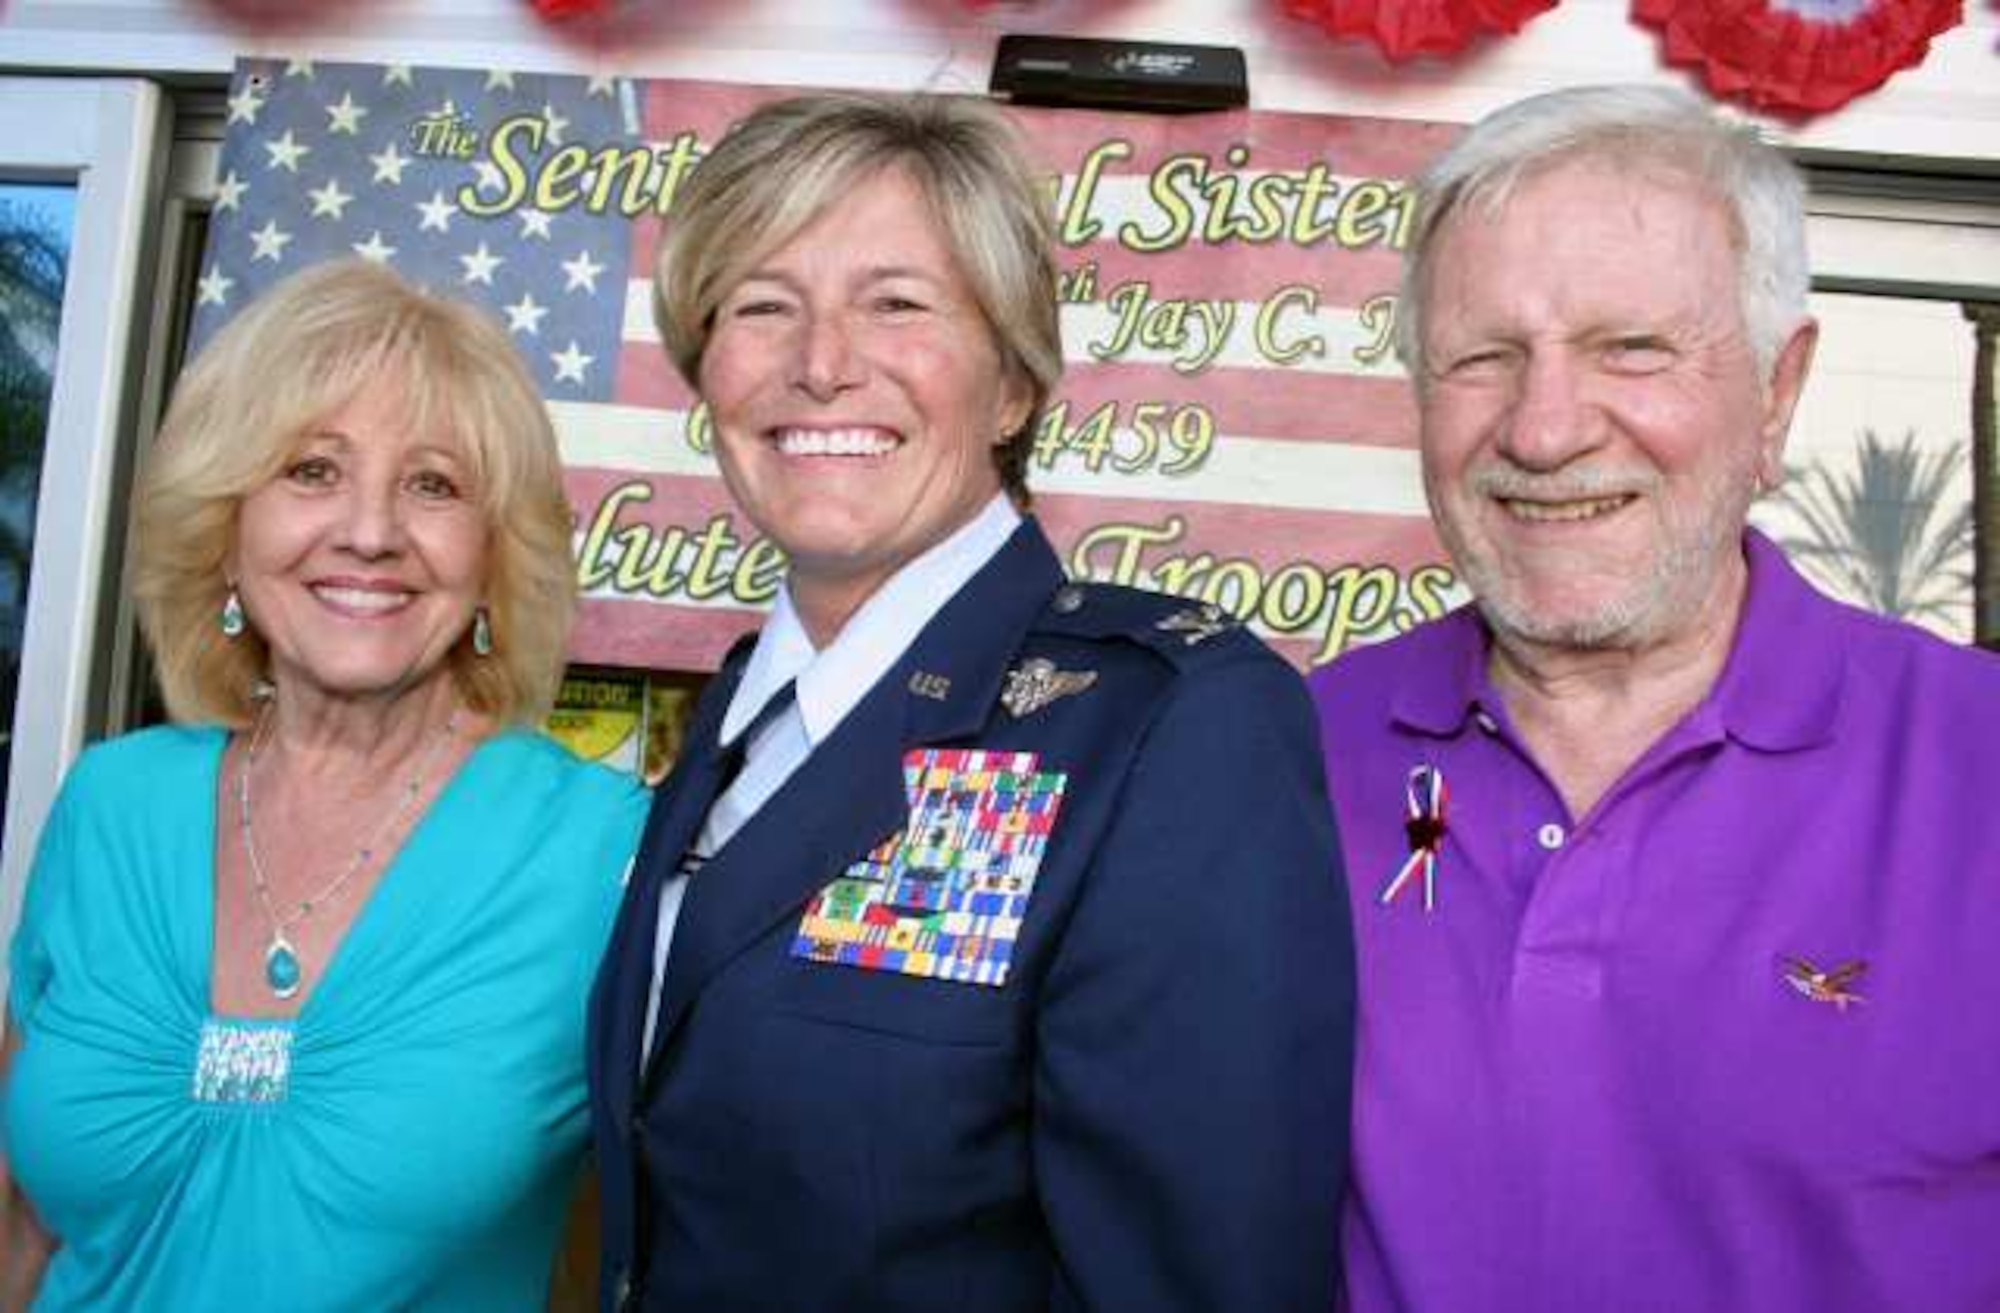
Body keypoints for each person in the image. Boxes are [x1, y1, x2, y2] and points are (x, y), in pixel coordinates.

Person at [589, 90, 1354, 1312]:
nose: (821, 364)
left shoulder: (1165, 722)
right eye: (762, 305)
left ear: (1010, 384)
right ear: (703, 367)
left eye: (895, 302)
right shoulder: (743, 714)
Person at [1309, 84, 2000, 1312]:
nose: (1544, 427)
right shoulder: (1277, 758)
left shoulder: (1973, 768)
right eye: (1481, 356)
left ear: (1776, 393)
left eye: (1630, 347)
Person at [0, 260, 647, 1310]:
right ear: (225, 530)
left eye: (434, 484)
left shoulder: (601, 850)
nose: (369, 530)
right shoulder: (109, 805)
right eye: (310, 470)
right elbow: (25, 1219)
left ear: (492, 559)